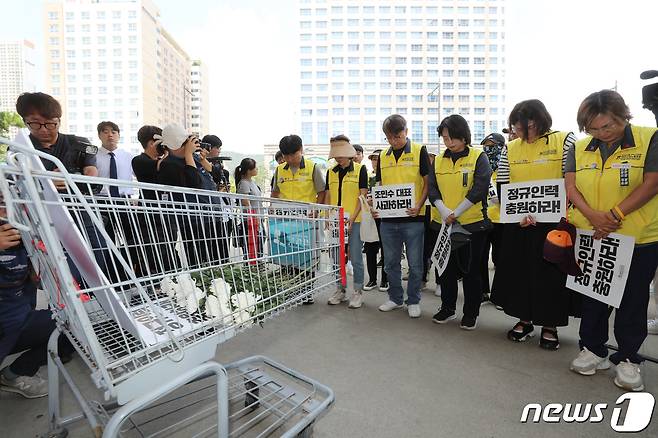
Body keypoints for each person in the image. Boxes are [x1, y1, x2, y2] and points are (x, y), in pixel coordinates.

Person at [567, 90, 658, 391]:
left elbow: (652, 183)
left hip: (638, 237)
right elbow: (571, 187)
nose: (602, 133)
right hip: (592, 235)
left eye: (608, 126)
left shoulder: (649, 138)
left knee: (632, 299)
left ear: (623, 116)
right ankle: (593, 349)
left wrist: (614, 215)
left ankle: (629, 357)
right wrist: (594, 217)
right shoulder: (579, 148)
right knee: (594, 294)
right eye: (593, 128)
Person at [491, 99, 577, 350]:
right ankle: (524, 319)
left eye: (523, 126)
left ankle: (550, 325)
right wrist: (515, 213)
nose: (518, 131)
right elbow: (503, 183)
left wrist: (560, 212)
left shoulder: (565, 140)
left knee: (551, 275)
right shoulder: (511, 148)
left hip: (553, 224)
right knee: (520, 272)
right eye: (515, 126)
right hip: (520, 223)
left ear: (537, 121)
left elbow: (571, 181)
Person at [0, 194, 73, 399]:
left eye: (8, 202)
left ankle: (14, 374)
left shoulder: (22, 234)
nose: (5, 210)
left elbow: (33, 284)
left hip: (17, 318)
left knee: (68, 325)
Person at [429, 115, 492, 330]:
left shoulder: (478, 156)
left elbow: (480, 187)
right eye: (445, 138)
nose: (448, 142)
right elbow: (432, 188)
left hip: (472, 224)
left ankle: (470, 312)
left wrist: (458, 211)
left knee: (471, 271)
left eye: (452, 138)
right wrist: (444, 210)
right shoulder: (438, 159)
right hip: (443, 223)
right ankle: (448, 308)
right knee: (445, 269)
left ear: (463, 136)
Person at [375, 115, 430, 318]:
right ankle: (395, 298)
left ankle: (413, 300)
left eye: (397, 136)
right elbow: (379, 185)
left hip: (413, 219)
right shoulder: (383, 155)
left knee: (415, 264)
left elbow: (427, 182)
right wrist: (376, 204)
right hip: (388, 220)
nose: (393, 141)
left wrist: (419, 205)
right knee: (390, 263)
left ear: (406, 132)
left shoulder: (419, 151)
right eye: (389, 137)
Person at [324, 135, 369, 309]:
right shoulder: (331, 172)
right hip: (336, 221)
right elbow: (328, 195)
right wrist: (328, 215)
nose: (338, 158)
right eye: (335, 155)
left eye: (341, 154)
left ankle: (357, 292)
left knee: (356, 257)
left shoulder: (360, 170)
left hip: (355, 220)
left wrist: (353, 217)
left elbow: (362, 195)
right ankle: (340, 289)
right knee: (337, 257)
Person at [15, 92, 97, 177]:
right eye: (35, 123)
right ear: (25, 122)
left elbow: (92, 171)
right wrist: (46, 183)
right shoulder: (18, 148)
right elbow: (15, 180)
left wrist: (71, 179)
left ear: (59, 122)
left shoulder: (82, 142)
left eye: (50, 123)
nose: (43, 130)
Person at [479, 132, 506, 303]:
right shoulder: (482, 167)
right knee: (481, 256)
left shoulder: (507, 167)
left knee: (501, 259)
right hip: (482, 218)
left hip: (502, 220)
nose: (488, 149)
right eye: (486, 146)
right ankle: (482, 291)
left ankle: (499, 295)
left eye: (492, 145)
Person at [271, 134, 325, 204]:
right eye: (286, 156)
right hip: (285, 213)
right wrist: (272, 205)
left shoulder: (313, 167)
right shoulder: (279, 169)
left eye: (293, 155)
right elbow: (275, 192)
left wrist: (316, 210)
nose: (290, 159)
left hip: (307, 213)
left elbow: (321, 192)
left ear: (301, 149)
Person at [363, 149, 388, 292]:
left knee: (386, 250)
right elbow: (362, 194)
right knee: (370, 249)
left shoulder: (389, 177)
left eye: (377, 160)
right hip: (370, 218)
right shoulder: (369, 178)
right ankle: (372, 279)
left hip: (386, 218)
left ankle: (385, 279)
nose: (375, 162)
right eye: (373, 160)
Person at [95, 121, 134, 197]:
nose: (110, 135)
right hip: (101, 199)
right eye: (106, 132)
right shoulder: (93, 156)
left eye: (113, 132)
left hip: (125, 200)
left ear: (119, 135)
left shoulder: (128, 156)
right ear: (99, 136)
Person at [235, 158, 263, 260]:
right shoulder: (244, 184)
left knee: (258, 245)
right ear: (248, 170)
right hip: (250, 221)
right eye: (255, 167)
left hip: (257, 219)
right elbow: (246, 202)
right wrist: (254, 218)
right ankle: (251, 267)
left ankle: (256, 264)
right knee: (252, 247)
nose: (257, 169)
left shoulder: (251, 182)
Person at [132, 125, 164, 200]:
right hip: (148, 207)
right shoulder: (139, 160)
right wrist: (167, 151)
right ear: (151, 143)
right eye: (161, 143)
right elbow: (164, 165)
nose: (163, 146)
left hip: (162, 206)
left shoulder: (162, 160)